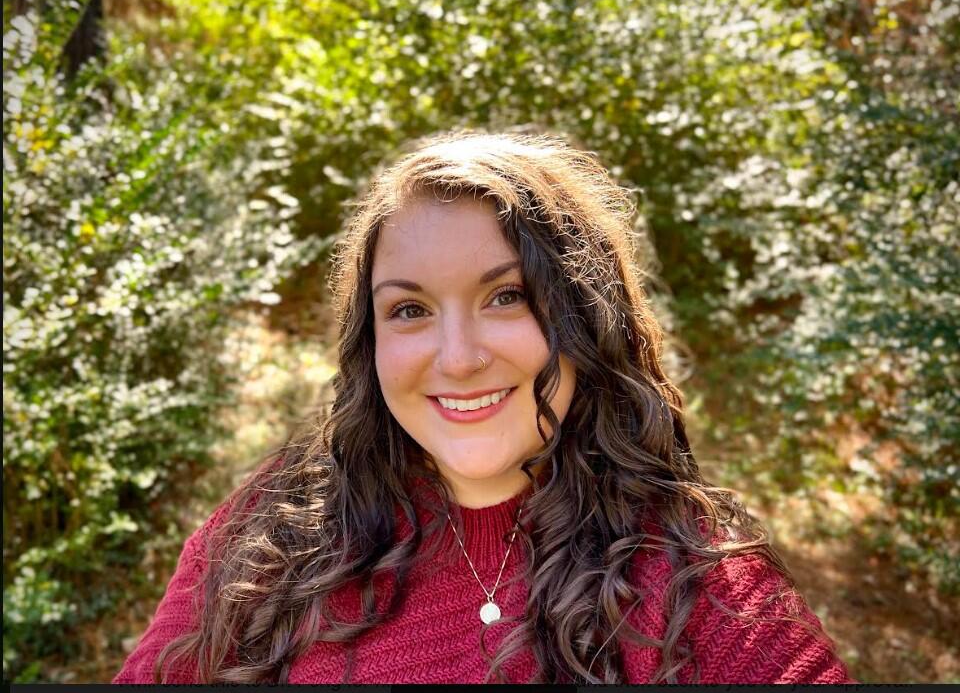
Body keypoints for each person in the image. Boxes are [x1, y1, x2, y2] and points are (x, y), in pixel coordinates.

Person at [113, 132, 855, 684]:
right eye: (408, 310)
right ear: (370, 342)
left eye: (507, 296)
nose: (458, 356)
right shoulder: (271, 533)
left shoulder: (695, 579)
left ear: (585, 318)